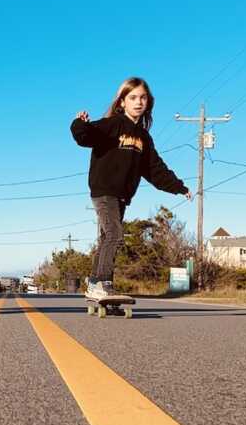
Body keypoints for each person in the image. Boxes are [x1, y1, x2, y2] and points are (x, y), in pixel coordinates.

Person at [71, 76, 192, 301]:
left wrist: (178, 187)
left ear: (148, 102)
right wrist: (80, 123)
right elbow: (85, 136)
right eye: (133, 97)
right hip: (104, 190)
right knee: (115, 235)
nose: (138, 102)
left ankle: (94, 282)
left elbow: (155, 169)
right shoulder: (113, 124)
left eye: (143, 98)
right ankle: (103, 282)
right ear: (122, 102)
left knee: (107, 237)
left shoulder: (144, 138)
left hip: (122, 196)